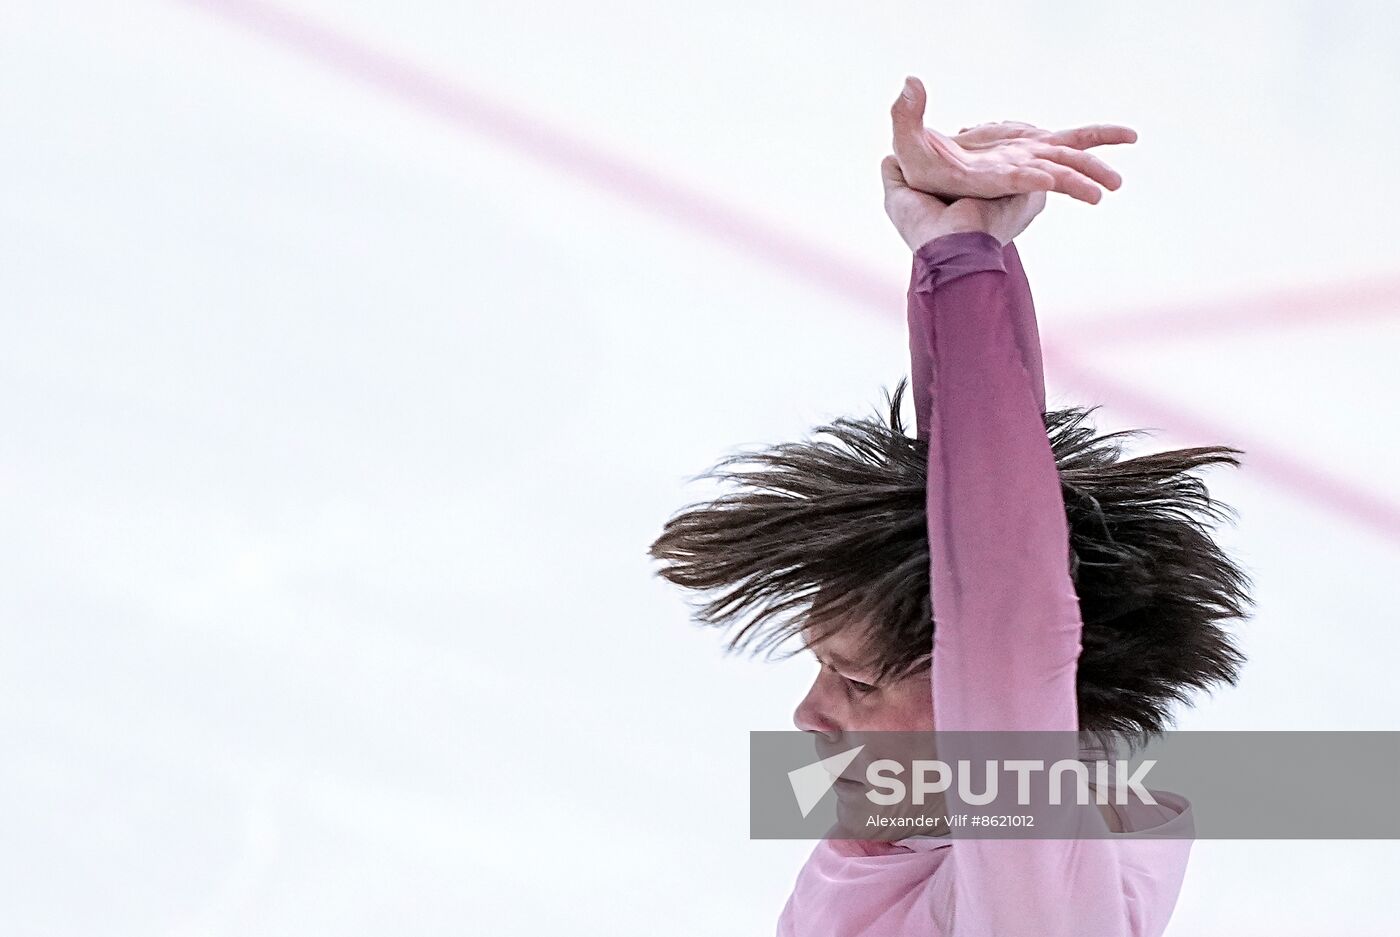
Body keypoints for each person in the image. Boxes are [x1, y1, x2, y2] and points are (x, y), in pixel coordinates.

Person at [648, 77, 1254, 936]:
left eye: (856, 679)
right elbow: (971, 527)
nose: (809, 714)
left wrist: (964, 263)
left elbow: (1005, 595)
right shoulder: (914, 846)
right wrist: (956, 253)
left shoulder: (1029, 906)